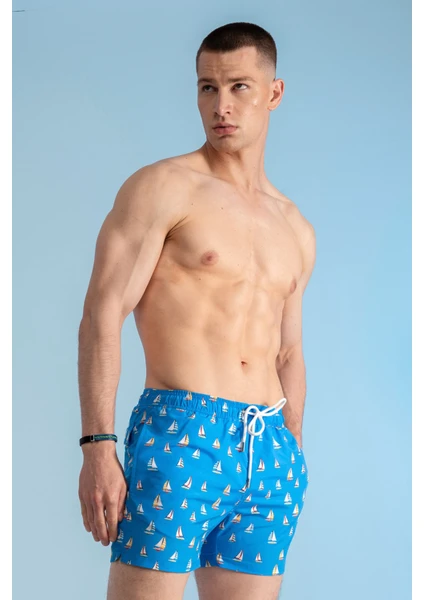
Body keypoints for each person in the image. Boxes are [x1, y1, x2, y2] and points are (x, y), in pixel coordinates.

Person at [78, 21, 316, 600]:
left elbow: (288, 351)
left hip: (270, 451)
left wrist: (292, 451)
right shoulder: (164, 187)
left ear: (274, 93)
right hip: (182, 434)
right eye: (208, 87)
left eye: (239, 87)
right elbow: (102, 313)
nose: (220, 105)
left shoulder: (295, 226)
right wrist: (98, 445)